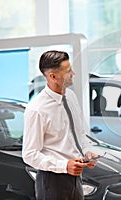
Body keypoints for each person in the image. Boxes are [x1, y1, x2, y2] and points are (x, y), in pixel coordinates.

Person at [22, 50, 98, 200]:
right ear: (53, 76)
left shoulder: (71, 97)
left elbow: (79, 134)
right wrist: (64, 166)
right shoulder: (37, 109)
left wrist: (87, 152)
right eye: (68, 71)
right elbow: (29, 154)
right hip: (52, 182)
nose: (73, 74)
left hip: (76, 178)